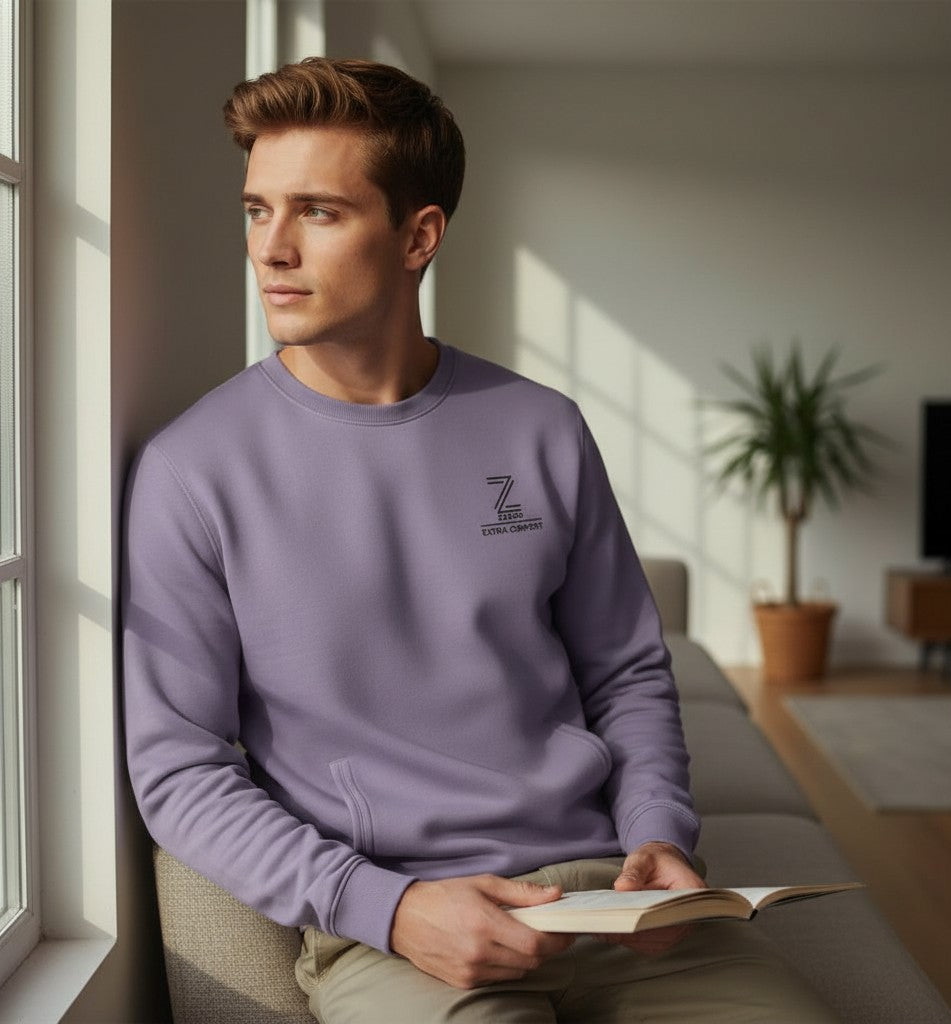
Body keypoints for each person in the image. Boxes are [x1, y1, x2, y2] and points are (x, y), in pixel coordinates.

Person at [122, 57, 839, 1023]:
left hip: (614, 904)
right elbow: (179, 768)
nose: (272, 249)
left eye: (318, 212)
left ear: (420, 236)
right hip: (403, 931)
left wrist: (661, 834)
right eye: (258, 210)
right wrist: (391, 906)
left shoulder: (540, 427)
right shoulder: (190, 469)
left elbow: (626, 671)